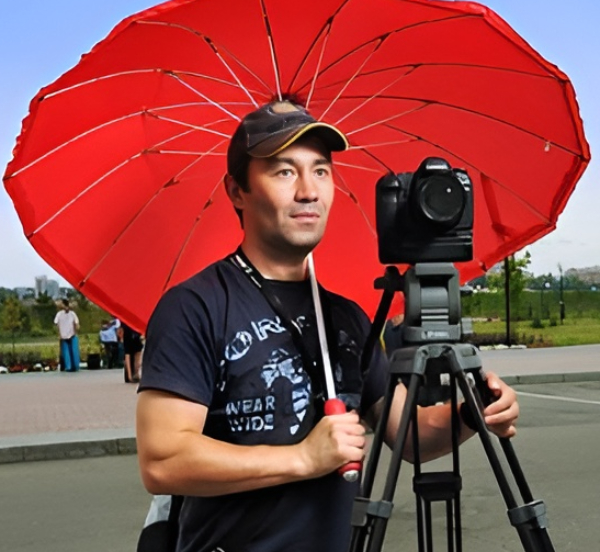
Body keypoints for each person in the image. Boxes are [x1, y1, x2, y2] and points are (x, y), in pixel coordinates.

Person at [136, 100, 519, 552]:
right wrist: (303, 458)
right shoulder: (194, 308)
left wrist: (470, 414)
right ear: (237, 191)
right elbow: (163, 461)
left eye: (320, 171)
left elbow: (408, 435)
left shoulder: (345, 318)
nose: (308, 191)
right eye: (284, 172)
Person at [54, 298, 80, 372]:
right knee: (66, 352)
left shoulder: (72, 314)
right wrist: (59, 334)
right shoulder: (59, 314)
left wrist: (76, 331)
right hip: (63, 335)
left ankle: (75, 366)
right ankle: (68, 366)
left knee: (74, 351)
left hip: (72, 334)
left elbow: (76, 323)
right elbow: (56, 324)